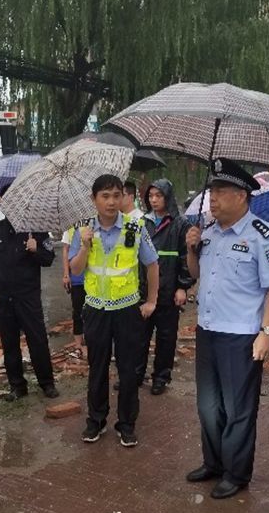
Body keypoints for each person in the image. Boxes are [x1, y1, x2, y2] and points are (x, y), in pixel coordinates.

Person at [185, 161, 269, 499]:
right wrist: (191, 248)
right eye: (211, 192)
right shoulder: (209, 232)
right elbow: (196, 273)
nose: (212, 199)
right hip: (208, 328)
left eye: (220, 193)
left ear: (241, 195)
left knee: (239, 408)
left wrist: (266, 331)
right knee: (208, 405)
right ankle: (213, 462)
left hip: (242, 334)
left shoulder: (262, 235)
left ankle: (236, 472)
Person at [69, 174, 159, 447]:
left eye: (116, 196)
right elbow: (75, 270)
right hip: (96, 309)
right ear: (94, 199)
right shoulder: (82, 230)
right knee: (97, 368)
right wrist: (84, 246)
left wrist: (152, 301)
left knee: (128, 369)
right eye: (105, 196)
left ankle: (127, 423)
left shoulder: (135, 226)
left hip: (127, 309)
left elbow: (152, 264)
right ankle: (95, 421)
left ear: (123, 198)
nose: (111, 202)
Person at [0, 213, 58, 401]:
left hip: (28, 297)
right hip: (3, 297)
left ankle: (47, 384)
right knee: (9, 343)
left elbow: (48, 258)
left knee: (37, 340)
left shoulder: (36, 230)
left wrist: (36, 249)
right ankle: (17, 386)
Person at [136, 178, 194, 394]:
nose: (154, 200)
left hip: (169, 290)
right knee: (139, 336)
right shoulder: (143, 222)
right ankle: (136, 374)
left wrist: (183, 286)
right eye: (150, 196)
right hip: (144, 291)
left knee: (166, 337)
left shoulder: (180, 224)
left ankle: (161, 377)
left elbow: (186, 258)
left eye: (158, 196)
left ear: (167, 197)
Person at [62, 226, 86, 357]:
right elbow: (65, 250)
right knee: (78, 311)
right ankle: (78, 345)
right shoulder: (71, 227)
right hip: (77, 278)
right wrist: (66, 274)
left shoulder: (97, 222)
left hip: (95, 277)